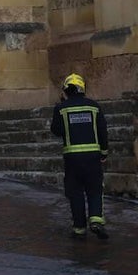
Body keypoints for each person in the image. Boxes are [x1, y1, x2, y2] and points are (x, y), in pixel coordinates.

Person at [50, 73, 109, 240]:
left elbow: (55, 131)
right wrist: (104, 152)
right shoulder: (94, 106)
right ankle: (96, 219)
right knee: (95, 189)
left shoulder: (61, 109)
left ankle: (79, 228)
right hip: (92, 157)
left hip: (72, 158)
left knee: (75, 192)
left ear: (66, 90)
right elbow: (102, 131)